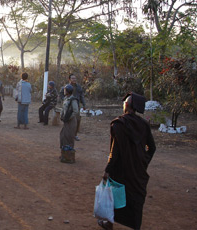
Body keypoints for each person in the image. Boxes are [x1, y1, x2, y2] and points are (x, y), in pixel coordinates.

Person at [98, 92, 156, 230]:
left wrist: (107, 170)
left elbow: (114, 151)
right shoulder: (143, 124)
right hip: (138, 170)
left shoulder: (118, 124)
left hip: (121, 168)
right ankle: (136, 226)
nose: (123, 104)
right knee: (136, 198)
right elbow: (152, 147)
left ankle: (109, 224)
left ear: (127, 105)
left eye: (124, 102)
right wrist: (143, 163)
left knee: (115, 194)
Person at [60, 74, 86, 141]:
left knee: (77, 120)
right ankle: (68, 135)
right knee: (67, 119)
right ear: (69, 79)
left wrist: (84, 104)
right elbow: (61, 94)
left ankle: (75, 135)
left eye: (75, 78)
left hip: (76, 105)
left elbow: (82, 96)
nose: (74, 79)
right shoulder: (66, 87)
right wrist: (65, 100)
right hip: (68, 106)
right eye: (72, 78)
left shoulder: (78, 87)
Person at [59, 84, 78, 150]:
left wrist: (68, 118)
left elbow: (75, 111)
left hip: (71, 121)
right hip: (66, 120)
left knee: (69, 136)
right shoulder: (66, 98)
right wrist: (62, 116)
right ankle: (64, 151)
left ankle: (68, 153)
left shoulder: (73, 100)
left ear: (68, 91)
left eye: (65, 90)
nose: (64, 91)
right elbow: (63, 108)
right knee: (63, 136)